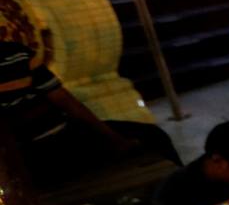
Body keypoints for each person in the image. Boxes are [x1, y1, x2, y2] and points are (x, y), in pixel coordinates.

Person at [0, 39, 180, 188]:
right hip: (33, 156)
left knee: (153, 135)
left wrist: (114, 138)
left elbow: (65, 101)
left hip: (68, 133)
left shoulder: (16, 53)